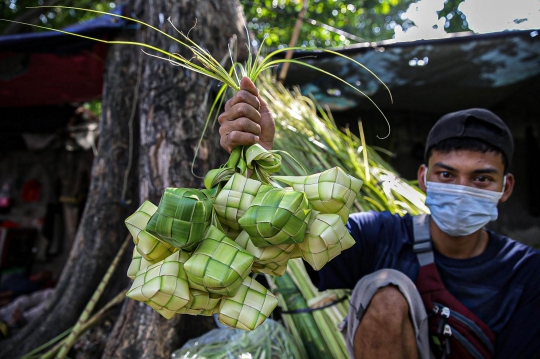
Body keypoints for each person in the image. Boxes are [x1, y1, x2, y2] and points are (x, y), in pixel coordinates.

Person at [217, 77, 540, 359]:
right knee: (387, 291)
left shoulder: (526, 272)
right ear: (424, 178)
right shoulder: (382, 234)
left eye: (481, 179)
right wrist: (259, 159)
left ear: (505, 186)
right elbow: (285, 243)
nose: (461, 190)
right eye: (447, 174)